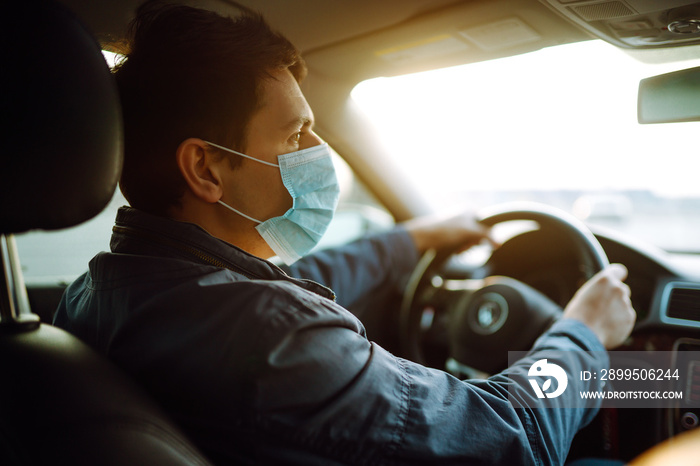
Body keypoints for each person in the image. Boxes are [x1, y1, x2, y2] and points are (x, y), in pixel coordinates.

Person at [53, 2, 636, 464]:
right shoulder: (272, 335)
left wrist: (412, 241)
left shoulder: (99, 296)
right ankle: (677, 381)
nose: (319, 152)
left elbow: (297, 286)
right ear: (206, 168)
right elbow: (511, 440)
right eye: (295, 134)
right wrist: (583, 332)